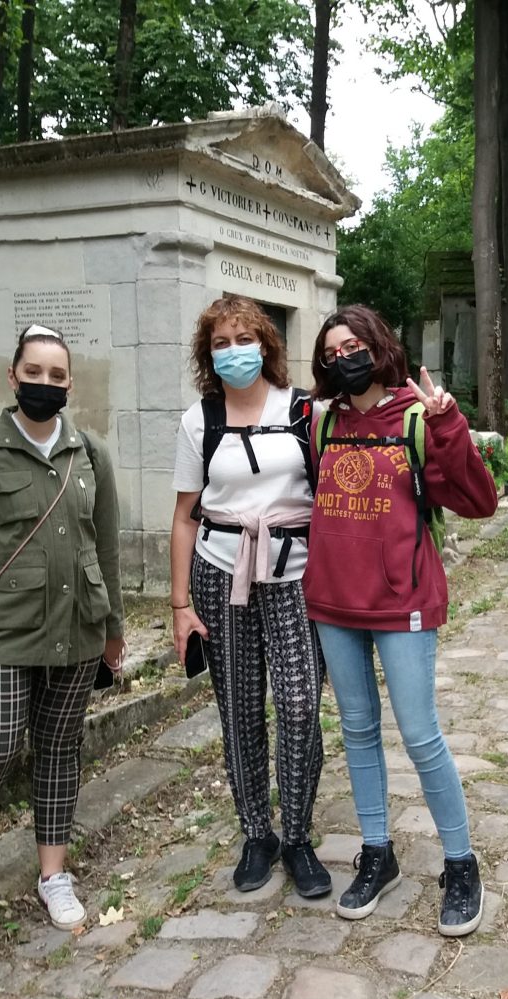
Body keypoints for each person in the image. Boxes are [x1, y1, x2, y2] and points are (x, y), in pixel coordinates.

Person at [303, 304, 498, 937]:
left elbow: (479, 501)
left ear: (378, 345)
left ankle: (461, 864)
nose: (344, 359)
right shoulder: (322, 422)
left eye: (353, 345)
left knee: (419, 736)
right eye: (331, 353)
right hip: (334, 601)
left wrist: (448, 424)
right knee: (357, 731)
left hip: (403, 602)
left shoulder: (417, 419)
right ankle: (377, 852)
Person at [0, 323, 125, 930]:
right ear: (13, 377)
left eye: (57, 375)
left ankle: (53, 874)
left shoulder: (91, 454)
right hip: (2, 631)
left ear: (70, 383)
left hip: (78, 626)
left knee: (61, 750)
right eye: (33, 373)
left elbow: (106, 547)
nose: (45, 383)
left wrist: (113, 628)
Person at [169, 296, 329, 897]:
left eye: (244, 339)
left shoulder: (304, 412)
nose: (233, 351)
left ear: (266, 344)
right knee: (238, 710)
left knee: (296, 703)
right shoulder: (198, 421)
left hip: (294, 575)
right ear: (208, 355)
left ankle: (299, 836)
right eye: (220, 343)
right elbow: (185, 517)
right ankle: (257, 834)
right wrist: (180, 605)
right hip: (220, 574)